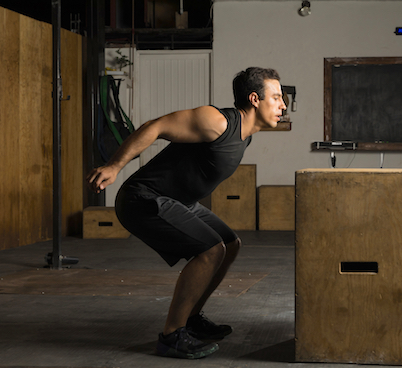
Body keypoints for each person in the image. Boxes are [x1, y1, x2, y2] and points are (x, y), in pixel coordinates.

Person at [86, 67, 286, 359]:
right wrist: (115, 165)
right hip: (143, 198)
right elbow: (155, 126)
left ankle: (191, 318)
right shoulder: (217, 121)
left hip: (177, 202)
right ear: (255, 99)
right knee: (210, 249)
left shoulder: (246, 136)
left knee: (229, 244)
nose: (283, 105)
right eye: (277, 97)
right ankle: (171, 335)